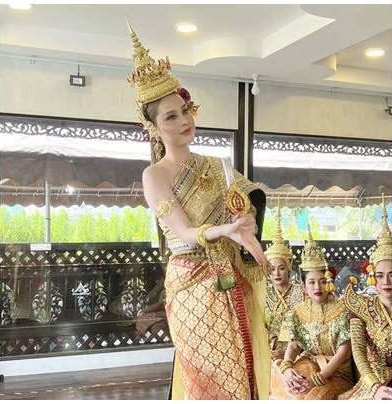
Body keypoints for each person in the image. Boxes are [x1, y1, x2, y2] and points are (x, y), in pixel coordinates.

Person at [129, 20, 270, 399]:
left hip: (230, 274)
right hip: (192, 284)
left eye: (185, 110)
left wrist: (247, 224)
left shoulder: (216, 164)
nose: (184, 120)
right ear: (153, 127)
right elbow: (185, 233)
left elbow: (250, 198)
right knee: (208, 378)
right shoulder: (154, 175)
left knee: (242, 369)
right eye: (171, 117)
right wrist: (224, 231)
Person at [273, 226, 353, 399]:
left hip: (337, 373)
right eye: (311, 282)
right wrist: (287, 368)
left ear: (329, 283)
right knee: (286, 388)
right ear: (303, 286)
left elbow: (343, 353)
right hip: (309, 365)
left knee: (314, 397)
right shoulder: (297, 311)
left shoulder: (342, 309)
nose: (317, 287)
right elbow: (293, 345)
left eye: (322, 281)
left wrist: (315, 380)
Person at [339, 196, 392, 400]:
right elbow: (359, 351)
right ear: (373, 277)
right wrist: (374, 386)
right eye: (380, 276)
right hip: (375, 381)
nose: (386, 282)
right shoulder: (361, 306)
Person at [265, 199, 304, 362]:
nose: (276, 273)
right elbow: (258, 327)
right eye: (272, 269)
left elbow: (306, 327)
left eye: (281, 268)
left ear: (288, 268)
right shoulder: (263, 294)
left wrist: (287, 352)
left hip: (296, 353)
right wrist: (269, 349)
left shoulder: (301, 292)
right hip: (267, 352)